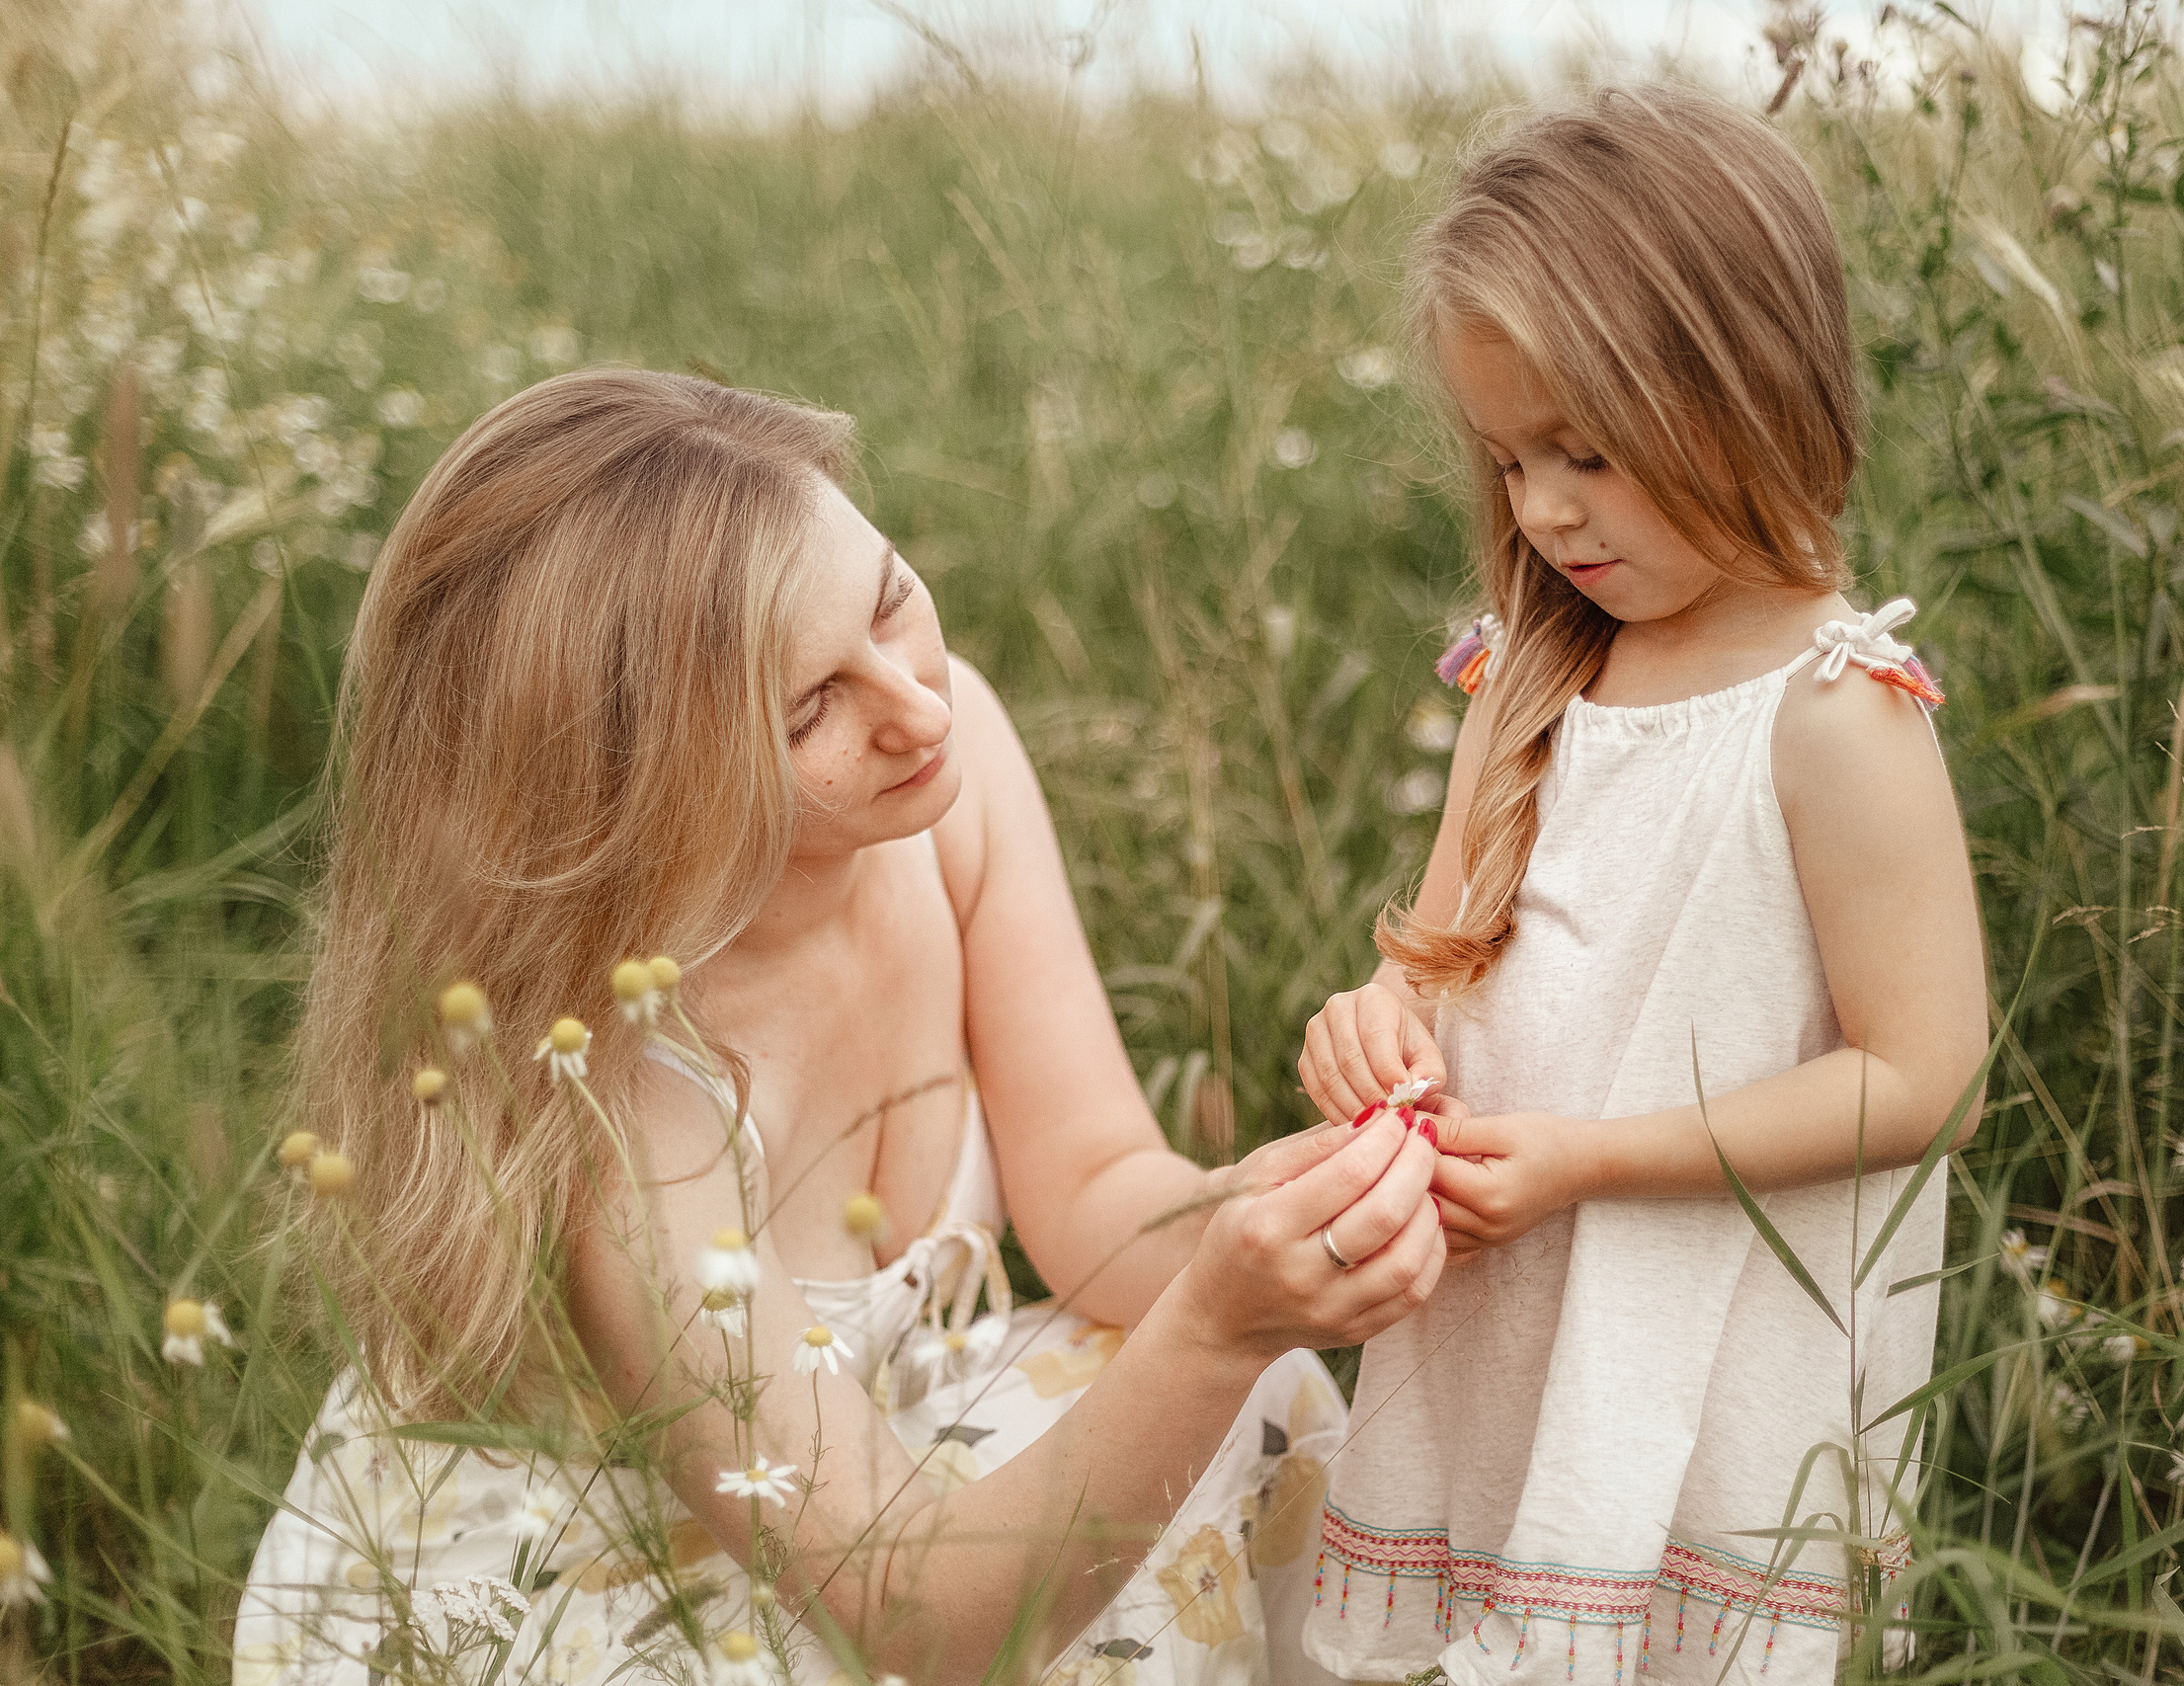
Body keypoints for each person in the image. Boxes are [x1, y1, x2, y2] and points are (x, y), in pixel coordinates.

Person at [235, 369, 1448, 1686]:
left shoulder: (948, 759)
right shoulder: (628, 1089)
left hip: (878, 1454)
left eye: (890, 604)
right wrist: (1218, 1318)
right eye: (811, 707)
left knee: (1258, 1402)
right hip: (621, 1574)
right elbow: (914, 1622)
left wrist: (1276, 1206)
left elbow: (1095, 1187)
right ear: (636, 791)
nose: (915, 707)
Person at [1290, 86, 1987, 1683]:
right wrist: (1372, 1022)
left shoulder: (1837, 716)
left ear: (1744, 392)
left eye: (1585, 454)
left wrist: (1594, 1161)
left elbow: (1922, 1076)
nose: (1539, 509)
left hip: (1695, 1325)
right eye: (1510, 457)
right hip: (1496, 1314)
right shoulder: (1528, 671)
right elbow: (1440, 954)